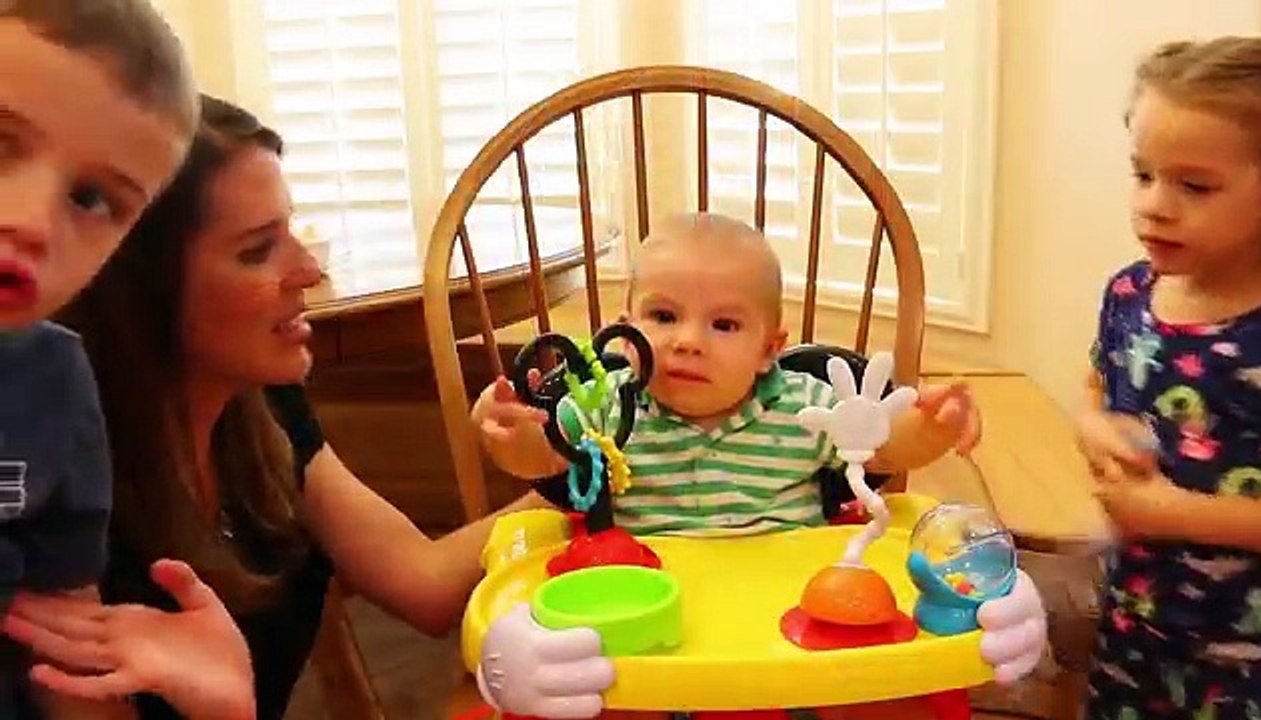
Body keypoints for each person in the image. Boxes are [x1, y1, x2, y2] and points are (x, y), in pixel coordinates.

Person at [3, 94, 553, 720]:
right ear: (138, 291)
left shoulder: (263, 410)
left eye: (290, 231)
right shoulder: (56, 498)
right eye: (258, 249)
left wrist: (583, 473)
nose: (310, 270)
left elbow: (421, 581)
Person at [471, 213, 1048, 717]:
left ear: (769, 347)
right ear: (627, 330)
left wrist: (933, 427)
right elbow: (545, 457)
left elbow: (882, 446)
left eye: (723, 325)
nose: (688, 341)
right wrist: (509, 435)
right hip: (650, 628)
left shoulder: (800, 405)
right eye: (664, 316)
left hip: (786, 639)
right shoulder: (605, 404)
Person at [0, 2, 242, 717]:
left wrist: (225, 705)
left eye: (94, 198)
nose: (34, 220)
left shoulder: (54, 383)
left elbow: (67, 659)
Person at [1077, 36, 1261, 719]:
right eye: (1143, 174)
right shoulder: (1131, 293)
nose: (1155, 205)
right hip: (1135, 622)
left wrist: (1177, 513)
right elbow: (1096, 384)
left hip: (1257, 658)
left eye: (1193, 185)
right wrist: (1097, 427)